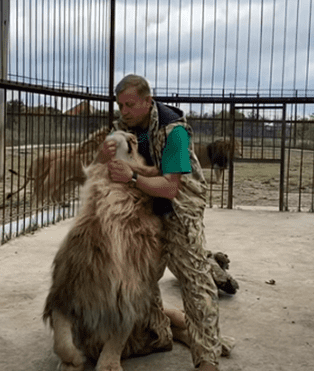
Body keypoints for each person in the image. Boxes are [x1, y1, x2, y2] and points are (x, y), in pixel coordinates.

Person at [95, 74, 225, 371]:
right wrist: (102, 157)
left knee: (195, 282)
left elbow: (171, 188)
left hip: (180, 210)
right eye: (120, 105)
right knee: (136, 279)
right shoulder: (122, 129)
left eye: (129, 105)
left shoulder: (174, 132)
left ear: (148, 101)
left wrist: (132, 176)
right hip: (144, 209)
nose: (124, 111)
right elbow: (101, 171)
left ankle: (207, 360)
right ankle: (154, 333)